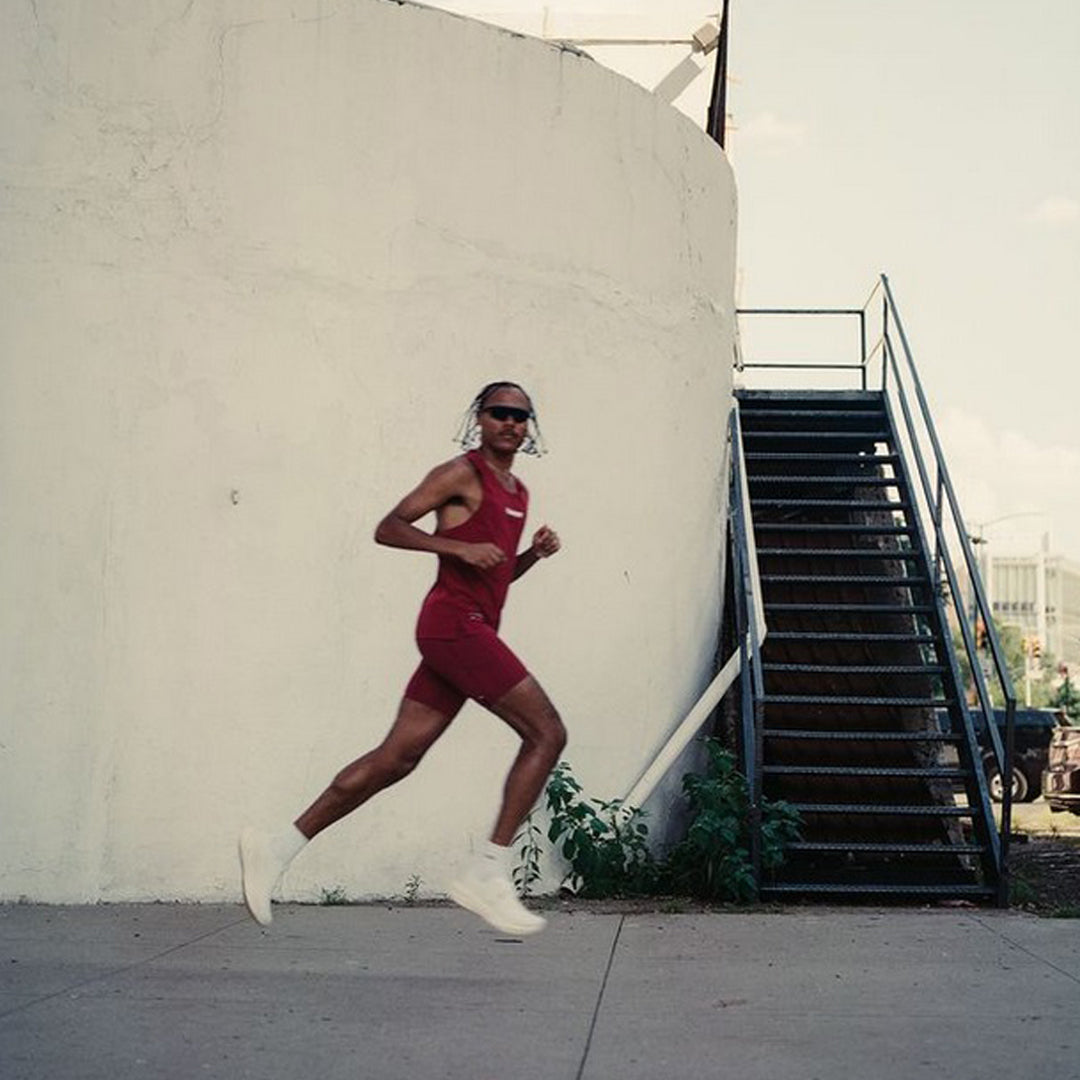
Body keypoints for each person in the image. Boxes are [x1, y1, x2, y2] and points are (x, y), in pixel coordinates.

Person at [239, 381, 566, 936]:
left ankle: (277, 846)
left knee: (397, 758)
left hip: (468, 630)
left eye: (521, 415)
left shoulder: (519, 492)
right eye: (500, 413)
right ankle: (488, 872)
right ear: (480, 419)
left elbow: (495, 573)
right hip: (452, 627)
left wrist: (530, 556)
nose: (511, 423)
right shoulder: (461, 474)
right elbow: (388, 527)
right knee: (547, 733)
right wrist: (455, 546)